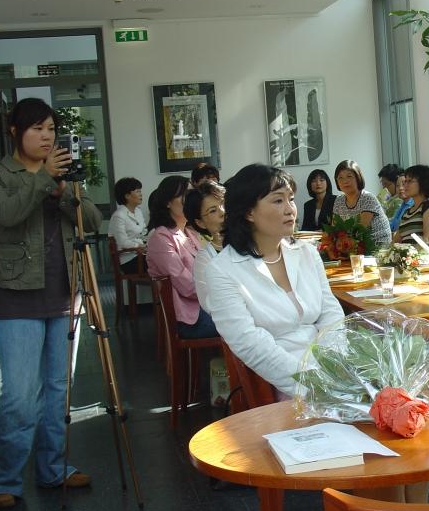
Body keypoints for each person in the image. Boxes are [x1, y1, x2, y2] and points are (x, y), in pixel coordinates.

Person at [0, 98, 101, 508]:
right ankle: (4, 477)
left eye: (51, 129)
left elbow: (92, 221)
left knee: (58, 389)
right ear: (15, 131)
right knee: (19, 393)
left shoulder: (63, 175)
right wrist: (45, 179)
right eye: (37, 128)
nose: (47, 136)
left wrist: (64, 190)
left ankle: (53, 467)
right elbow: (6, 214)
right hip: (15, 297)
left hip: (64, 292)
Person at [204, 163, 344, 398]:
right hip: (284, 385)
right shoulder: (222, 269)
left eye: (291, 199)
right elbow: (250, 344)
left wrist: (336, 366)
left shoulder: (306, 253)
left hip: (331, 371)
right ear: (248, 212)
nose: (290, 209)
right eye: (278, 200)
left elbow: (331, 314)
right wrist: (313, 385)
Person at [146, 175, 218, 339]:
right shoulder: (161, 238)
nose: (189, 199)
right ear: (168, 202)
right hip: (190, 317)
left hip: (205, 305)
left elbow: (210, 268)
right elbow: (186, 286)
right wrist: (220, 290)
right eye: (184, 195)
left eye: (191, 194)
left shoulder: (188, 233)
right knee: (246, 323)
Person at [183, 180, 226, 314]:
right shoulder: (205, 259)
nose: (223, 212)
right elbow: (209, 304)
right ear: (200, 223)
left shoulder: (253, 241)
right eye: (213, 211)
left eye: (224, 204)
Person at [332, 160, 392, 246]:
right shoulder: (339, 200)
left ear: (358, 178)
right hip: (354, 245)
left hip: (377, 246)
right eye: (340, 178)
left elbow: (360, 231)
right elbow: (335, 229)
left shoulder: (367, 198)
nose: (345, 181)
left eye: (349, 176)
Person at [393, 165, 429, 251]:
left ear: (423, 183)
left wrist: (406, 252)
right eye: (405, 181)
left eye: (410, 181)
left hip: (423, 258)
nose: (405, 185)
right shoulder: (407, 212)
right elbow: (396, 240)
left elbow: (427, 240)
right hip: (407, 257)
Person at [108, 177, 147, 274]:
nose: (141, 194)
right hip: (128, 260)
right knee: (162, 260)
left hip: (141, 255)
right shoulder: (119, 216)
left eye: (140, 191)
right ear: (127, 196)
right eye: (137, 191)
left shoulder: (138, 211)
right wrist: (139, 245)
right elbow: (122, 242)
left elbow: (144, 233)